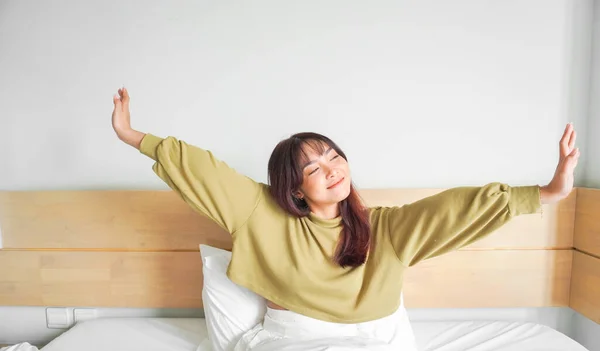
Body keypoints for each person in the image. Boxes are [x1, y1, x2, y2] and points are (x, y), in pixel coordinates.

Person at [111, 86, 579, 322]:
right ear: (294, 188)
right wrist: (134, 136)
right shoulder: (260, 213)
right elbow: (202, 168)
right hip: (295, 344)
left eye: (334, 156)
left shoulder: (385, 230)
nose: (332, 169)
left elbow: (454, 208)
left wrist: (546, 192)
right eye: (313, 168)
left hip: (371, 345)